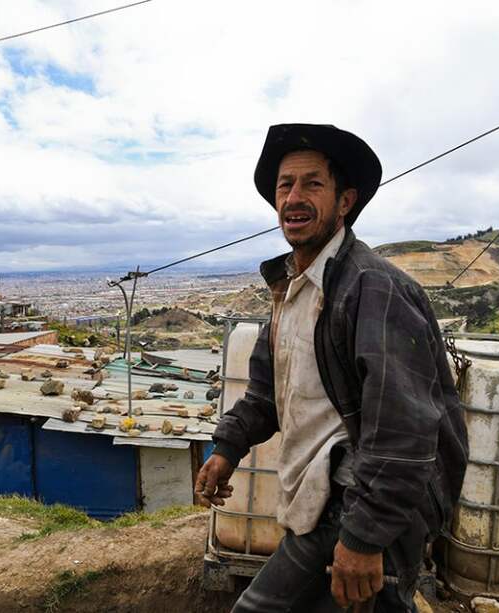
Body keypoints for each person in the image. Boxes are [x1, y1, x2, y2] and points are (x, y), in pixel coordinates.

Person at [196, 124, 469, 612]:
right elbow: (267, 394)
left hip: (361, 503)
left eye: (312, 184)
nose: (294, 198)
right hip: (330, 499)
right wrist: (227, 449)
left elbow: (403, 428)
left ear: (345, 201)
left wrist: (365, 536)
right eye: (285, 185)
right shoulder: (294, 289)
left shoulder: (372, 288)